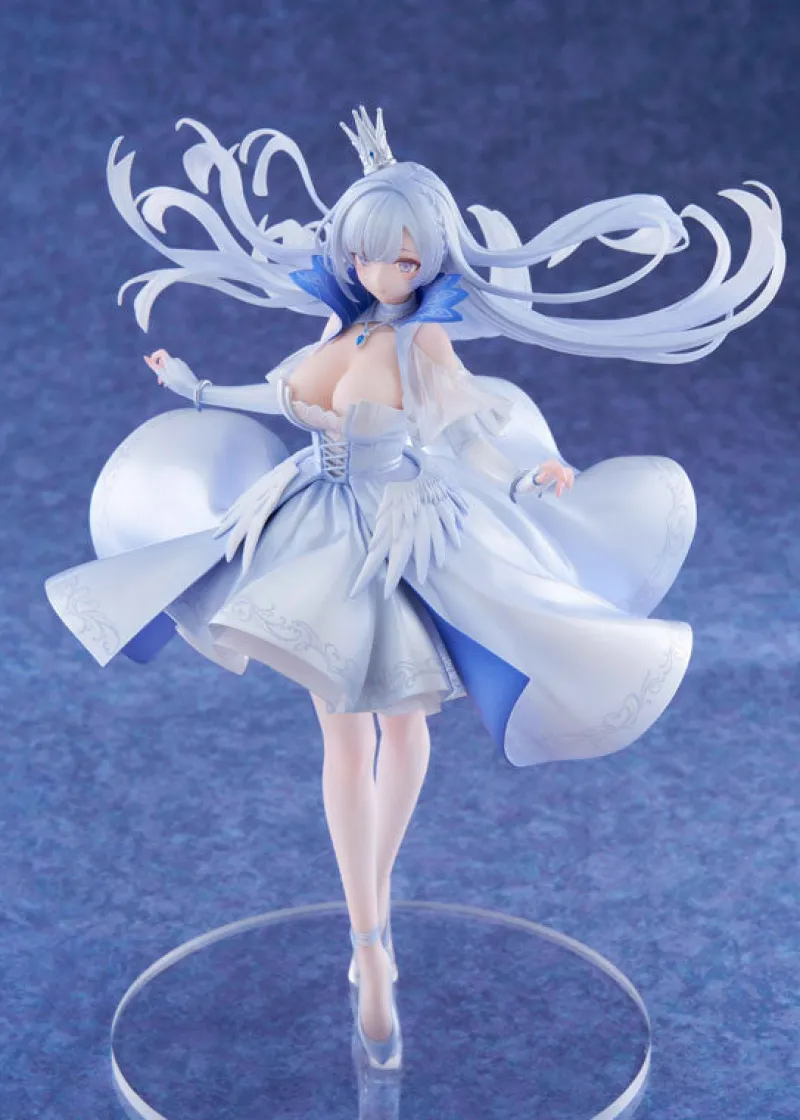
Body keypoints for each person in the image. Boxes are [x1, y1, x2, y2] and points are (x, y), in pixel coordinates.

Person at [44, 107, 785, 1069]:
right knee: (341, 733)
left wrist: (537, 472)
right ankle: (369, 941)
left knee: (400, 725)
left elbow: (475, 422)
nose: (378, 273)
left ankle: (373, 927)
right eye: (363, 255)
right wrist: (195, 390)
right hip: (309, 519)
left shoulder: (421, 342)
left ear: (428, 261)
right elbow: (284, 394)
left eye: (399, 259)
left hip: (397, 532)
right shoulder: (342, 321)